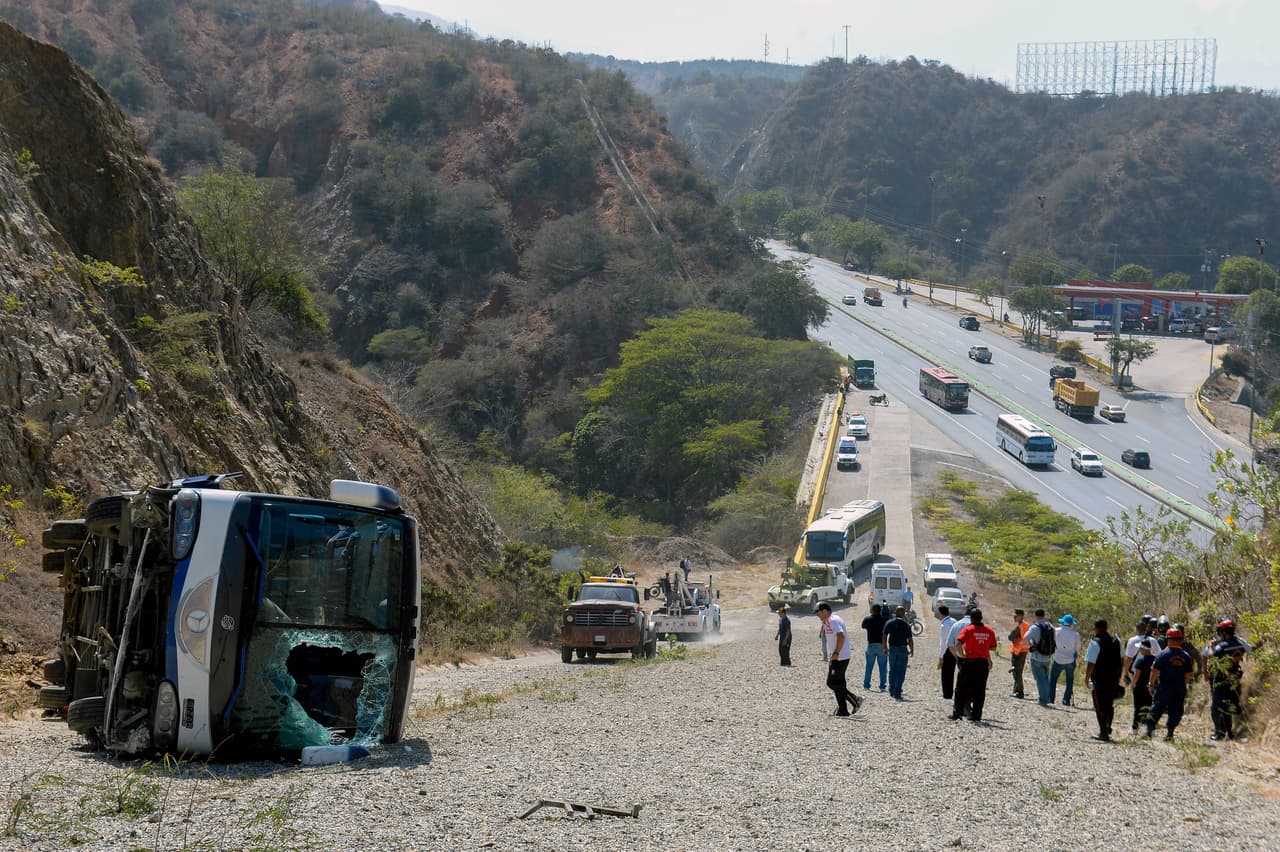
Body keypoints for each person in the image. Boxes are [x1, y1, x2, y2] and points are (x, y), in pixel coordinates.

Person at [1206, 619, 1262, 741]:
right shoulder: (1239, 643)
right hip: (1235, 678)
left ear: (1223, 632)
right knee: (1228, 706)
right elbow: (1251, 649)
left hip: (1221, 679)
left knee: (1217, 707)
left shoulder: (1222, 646)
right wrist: (1259, 642)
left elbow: (1210, 655)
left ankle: (1219, 733)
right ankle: (1229, 733)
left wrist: (1211, 645)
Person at [1146, 627, 1195, 741]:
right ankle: (1170, 734)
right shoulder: (1186, 656)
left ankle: (1149, 732)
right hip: (1179, 688)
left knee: (1156, 709)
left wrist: (1151, 685)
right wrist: (1184, 685)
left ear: (1168, 640)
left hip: (1164, 687)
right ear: (1180, 640)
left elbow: (1154, 672)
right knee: (1176, 710)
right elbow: (1189, 674)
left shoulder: (1162, 654)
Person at [951, 608, 997, 722]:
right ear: (981, 618)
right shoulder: (989, 630)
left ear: (971, 618)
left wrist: (962, 654)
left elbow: (958, 643)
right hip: (982, 663)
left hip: (969, 662)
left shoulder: (968, 630)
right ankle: (976, 716)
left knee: (961, 688)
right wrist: (984, 648)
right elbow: (994, 647)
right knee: (980, 690)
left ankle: (958, 713)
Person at [816, 603, 862, 716]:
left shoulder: (834, 620)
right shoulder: (828, 621)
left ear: (825, 611)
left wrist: (836, 652)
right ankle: (843, 710)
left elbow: (841, 636)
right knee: (839, 682)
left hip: (840, 657)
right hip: (838, 656)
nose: (817, 615)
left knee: (831, 682)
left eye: (818, 612)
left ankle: (855, 699)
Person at [1084, 618, 1123, 741]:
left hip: (1100, 679)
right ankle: (1108, 727)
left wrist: (1087, 678)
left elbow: (1091, 663)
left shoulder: (1096, 642)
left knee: (1099, 705)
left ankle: (1103, 733)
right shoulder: (1117, 641)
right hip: (1113, 679)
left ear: (1096, 628)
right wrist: (1119, 676)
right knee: (1109, 704)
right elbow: (1121, 660)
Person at [882, 605, 915, 700]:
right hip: (903, 649)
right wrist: (912, 650)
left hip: (892, 649)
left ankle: (892, 690)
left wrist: (885, 647)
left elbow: (884, 636)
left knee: (892, 670)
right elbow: (910, 639)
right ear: (904, 614)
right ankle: (897, 691)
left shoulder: (889, 623)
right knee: (901, 671)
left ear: (895, 613)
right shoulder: (906, 625)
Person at [1026, 609, 1057, 705]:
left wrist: (1031, 644)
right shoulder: (1051, 627)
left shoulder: (1035, 627)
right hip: (1048, 656)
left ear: (1035, 615)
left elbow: (1025, 638)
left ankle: (1043, 700)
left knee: (1040, 679)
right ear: (1044, 615)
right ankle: (1046, 698)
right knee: (1045, 678)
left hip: (1037, 656)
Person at [1050, 614, 1081, 706]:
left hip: (1058, 658)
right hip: (1070, 659)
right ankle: (1066, 700)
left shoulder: (1056, 631)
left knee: (1053, 679)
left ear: (1063, 622)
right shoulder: (1075, 634)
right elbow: (1078, 648)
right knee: (1069, 681)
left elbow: (1053, 642)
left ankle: (1051, 698)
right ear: (1071, 624)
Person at [1128, 640, 1156, 733]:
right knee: (1150, 708)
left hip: (1140, 687)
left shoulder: (1140, 660)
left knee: (1138, 708)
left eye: (1140, 648)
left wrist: (1132, 684)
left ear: (1144, 649)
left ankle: (1135, 728)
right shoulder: (1155, 659)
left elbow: (1136, 675)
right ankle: (1151, 730)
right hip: (1150, 687)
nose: (1139, 649)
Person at [861, 604, 888, 692]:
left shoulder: (867, 619)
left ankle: (866, 685)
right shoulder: (884, 620)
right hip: (882, 645)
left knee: (869, 666)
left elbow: (863, 626)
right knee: (883, 667)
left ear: (872, 610)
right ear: (880, 611)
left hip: (871, 645)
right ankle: (882, 686)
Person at [1122, 616, 1159, 681]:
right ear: (1146, 628)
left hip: (1136, 672)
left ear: (1137, 629)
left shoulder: (1132, 640)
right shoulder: (1153, 640)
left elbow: (1128, 659)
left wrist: (1126, 673)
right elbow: (1158, 656)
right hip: (1150, 671)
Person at [936, 605, 957, 700]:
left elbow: (944, 642)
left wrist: (941, 656)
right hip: (954, 649)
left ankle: (946, 694)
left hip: (947, 651)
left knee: (945, 673)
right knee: (951, 672)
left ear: (941, 613)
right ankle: (950, 693)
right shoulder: (954, 621)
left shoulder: (944, 625)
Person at [1008, 609, 1030, 699]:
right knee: (1018, 671)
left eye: (1015, 616)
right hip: (1024, 651)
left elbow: (1010, 637)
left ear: (1020, 616)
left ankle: (1019, 692)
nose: (1014, 617)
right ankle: (1016, 690)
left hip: (1018, 652)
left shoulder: (1019, 627)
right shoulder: (1026, 625)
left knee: (1017, 672)